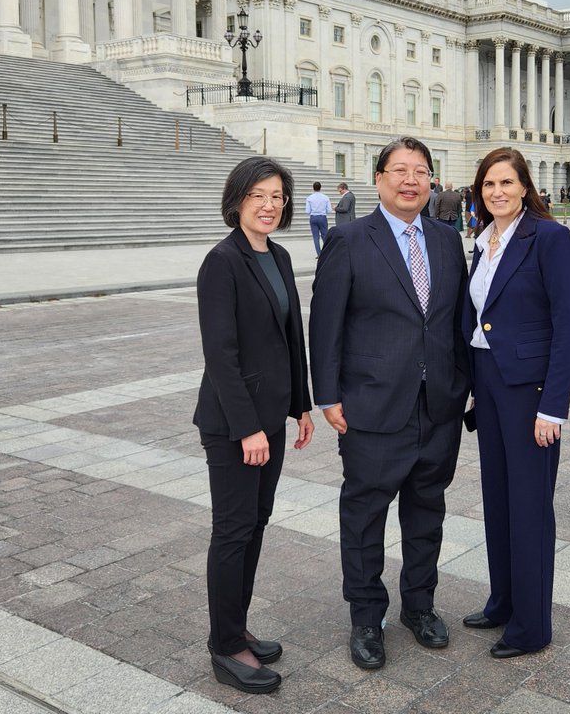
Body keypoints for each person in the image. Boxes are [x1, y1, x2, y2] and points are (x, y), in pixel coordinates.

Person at [309, 137, 469, 672]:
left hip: (436, 408)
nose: (410, 180)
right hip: (372, 408)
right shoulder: (350, 240)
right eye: (399, 171)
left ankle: (419, 607)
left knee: (427, 515)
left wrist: (462, 386)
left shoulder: (447, 241)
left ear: (432, 181)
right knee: (365, 518)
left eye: (420, 171)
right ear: (377, 179)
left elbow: (455, 325)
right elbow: (326, 323)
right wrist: (326, 395)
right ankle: (366, 617)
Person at [193, 157, 314, 696]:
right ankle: (224, 645)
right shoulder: (222, 262)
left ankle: (235, 624)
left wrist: (301, 406)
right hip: (234, 425)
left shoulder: (280, 255)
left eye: (278, 196)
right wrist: (247, 429)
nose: (270, 205)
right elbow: (220, 355)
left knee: (256, 524)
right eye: (259, 195)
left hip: (271, 419)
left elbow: (291, 339)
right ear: (237, 199)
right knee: (234, 529)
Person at [461, 148, 570, 658]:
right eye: (489, 184)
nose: (497, 192)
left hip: (529, 390)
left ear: (525, 186)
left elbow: (568, 326)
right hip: (488, 383)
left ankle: (532, 625)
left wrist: (553, 408)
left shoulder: (549, 238)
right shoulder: (483, 239)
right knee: (498, 499)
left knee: (530, 506)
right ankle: (504, 600)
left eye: (507, 183)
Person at [305, 181, 333, 255]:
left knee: (315, 237)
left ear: (313, 188)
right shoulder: (325, 197)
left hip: (313, 217)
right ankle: (327, 252)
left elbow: (307, 211)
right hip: (322, 217)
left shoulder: (309, 198)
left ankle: (319, 253)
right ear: (320, 188)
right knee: (325, 235)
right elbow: (329, 210)